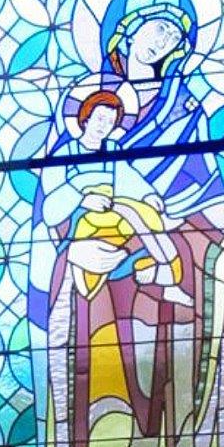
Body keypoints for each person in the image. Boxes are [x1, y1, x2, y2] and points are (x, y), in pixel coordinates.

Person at [29, 0, 224, 447]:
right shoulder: (79, 109)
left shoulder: (184, 111)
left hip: (166, 288)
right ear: (123, 32)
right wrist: (71, 247)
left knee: (165, 401)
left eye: (171, 32)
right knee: (100, 407)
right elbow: (51, 202)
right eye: (152, 26)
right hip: (94, 289)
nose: (159, 39)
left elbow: (205, 194)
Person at [54, 88, 193, 306]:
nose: (104, 126)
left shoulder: (112, 149)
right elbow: (51, 202)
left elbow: (128, 177)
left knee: (139, 215)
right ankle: (168, 276)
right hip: (83, 219)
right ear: (86, 117)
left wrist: (147, 195)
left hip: (111, 214)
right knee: (134, 214)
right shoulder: (64, 153)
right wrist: (80, 200)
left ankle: (165, 278)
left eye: (111, 122)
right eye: (100, 118)